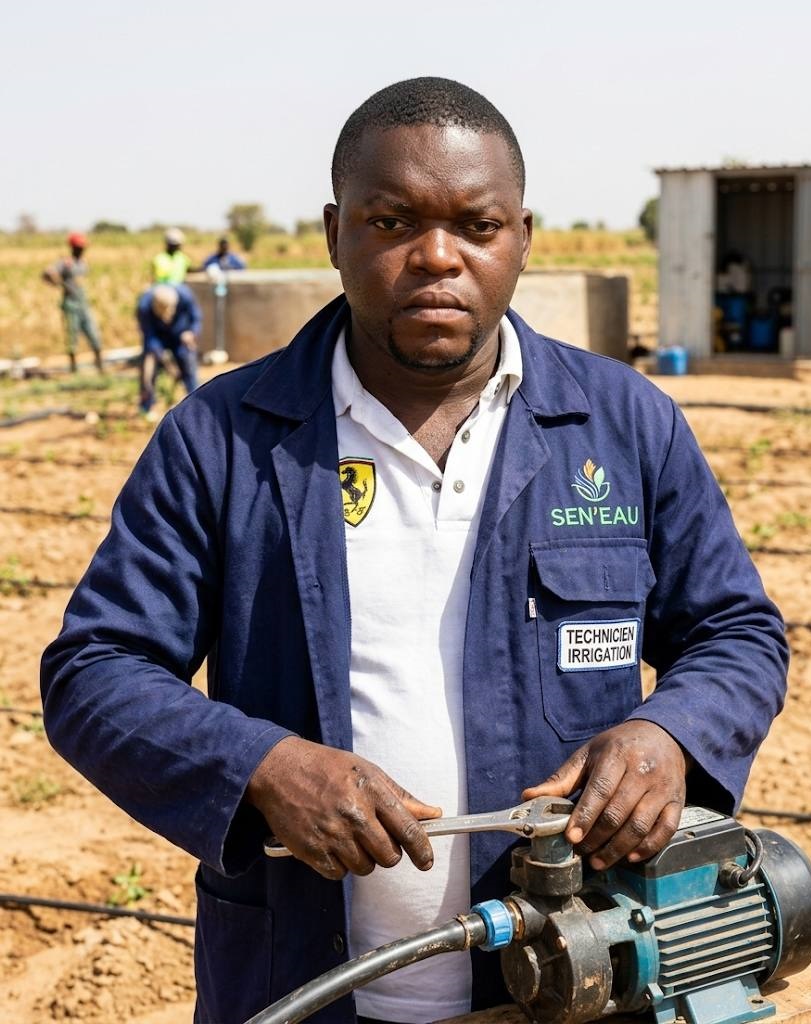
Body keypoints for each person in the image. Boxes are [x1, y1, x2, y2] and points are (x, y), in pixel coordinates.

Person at [41, 79, 787, 1024]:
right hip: (303, 986)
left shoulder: (624, 424)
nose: (436, 257)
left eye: (475, 226)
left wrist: (668, 734)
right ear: (333, 232)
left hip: (576, 989)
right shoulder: (223, 438)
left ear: (522, 234)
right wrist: (263, 766)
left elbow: (733, 631)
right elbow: (94, 669)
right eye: (391, 221)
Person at [136, 283, 200, 418]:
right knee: (148, 369)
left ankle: (195, 404)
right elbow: (149, 335)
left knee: (188, 363)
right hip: (158, 337)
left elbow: (196, 318)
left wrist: (191, 333)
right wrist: (162, 357)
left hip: (180, 336)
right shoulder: (144, 305)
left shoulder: (185, 296)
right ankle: (147, 405)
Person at [42, 232, 104, 373]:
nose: (81, 249)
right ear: (73, 247)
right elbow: (47, 273)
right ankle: (73, 369)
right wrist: (57, 282)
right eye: (78, 247)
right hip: (71, 304)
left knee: (94, 334)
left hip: (84, 304)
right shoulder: (65, 263)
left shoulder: (83, 263)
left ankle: (100, 366)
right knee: (72, 337)